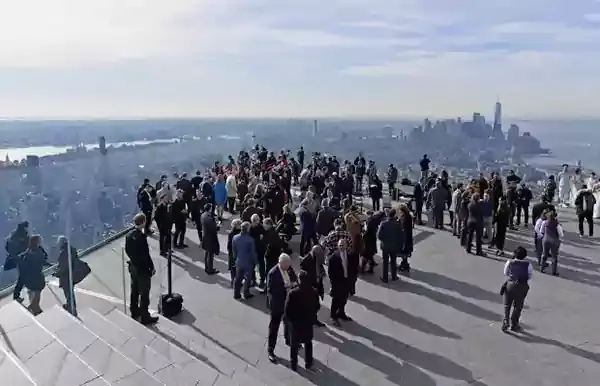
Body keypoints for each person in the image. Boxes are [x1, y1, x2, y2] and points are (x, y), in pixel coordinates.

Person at [125, 213, 158, 324]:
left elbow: (127, 250)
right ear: (143, 222)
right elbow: (145, 255)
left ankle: (134, 311)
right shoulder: (141, 237)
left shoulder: (129, 235)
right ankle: (145, 316)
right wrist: (151, 267)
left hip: (133, 267)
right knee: (144, 293)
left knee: (134, 290)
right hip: (142, 269)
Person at [284, 270, 319, 372]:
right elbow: (317, 306)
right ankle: (308, 363)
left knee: (294, 345)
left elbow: (287, 310)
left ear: (299, 280)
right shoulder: (313, 291)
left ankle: (293, 364)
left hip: (296, 323)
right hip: (307, 322)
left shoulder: (292, 293)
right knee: (308, 343)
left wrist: (290, 320)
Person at [266, 253, 297, 363]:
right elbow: (270, 290)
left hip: (288, 303)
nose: (289, 268)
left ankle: (289, 340)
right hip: (277, 305)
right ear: (281, 263)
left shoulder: (288, 269)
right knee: (274, 327)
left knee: (289, 323)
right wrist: (285, 288)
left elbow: (294, 279)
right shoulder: (273, 273)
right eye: (287, 265)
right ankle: (270, 349)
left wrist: (293, 284)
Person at [501, 247, 532, 332]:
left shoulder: (509, 262)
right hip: (522, 286)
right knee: (518, 306)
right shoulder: (528, 265)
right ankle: (514, 324)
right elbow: (529, 276)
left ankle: (505, 321)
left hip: (510, 284)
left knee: (507, 305)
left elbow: (505, 273)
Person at [18, 235, 50, 315]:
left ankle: (36, 308)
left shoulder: (27, 253)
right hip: (36, 276)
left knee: (33, 292)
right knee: (37, 291)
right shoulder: (37, 252)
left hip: (29, 277)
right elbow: (43, 260)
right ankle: (33, 307)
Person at [328, 239, 352, 326]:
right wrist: (333, 284)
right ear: (338, 246)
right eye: (340, 245)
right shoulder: (333, 258)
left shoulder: (350, 256)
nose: (341, 247)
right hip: (337, 282)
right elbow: (330, 273)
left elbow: (352, 268)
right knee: (336, 300)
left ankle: (341, 313)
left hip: (346, 281)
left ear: (346, 246)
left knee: (344, 299)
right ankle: (333, 316)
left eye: (343, 245)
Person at [300, 245, 326, 327]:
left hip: (317, 285)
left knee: (316, 305)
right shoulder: (306, 261)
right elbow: (303, 275)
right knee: (312, 305)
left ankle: (312, 319)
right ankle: (311, 320)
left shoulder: (316, 259)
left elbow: (320, 268)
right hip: (310, 286)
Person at [377, 208, 403, 282]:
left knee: (385, 262)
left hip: (385, 246)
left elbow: (379, 235)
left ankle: (385, 277)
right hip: (394, 246)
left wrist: (384, 240)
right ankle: (394, 276)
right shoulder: (397, 224)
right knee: (393, 261)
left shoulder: (383, 223)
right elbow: (400, 236)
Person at [232, 221, 257, 300]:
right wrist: (255, 261)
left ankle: (236, 294)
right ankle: (246, 293)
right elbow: (253, 252)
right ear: (248, 229)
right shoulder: (250, 240)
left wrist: (235, 258)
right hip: (248, 261)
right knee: (248, 278)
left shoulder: (235, 237)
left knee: (238, 278)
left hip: (239, 260)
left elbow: (234, 250)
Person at [56, 236, 79, 316]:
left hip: (65, 275)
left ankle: (71, 307)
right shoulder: (71, 249)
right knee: (70, 291)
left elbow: (63, 266)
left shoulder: (64, 252)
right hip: (72, 273)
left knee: (68, 291)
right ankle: (71, 305)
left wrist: (57, 273)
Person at [539, 210, 564, 276]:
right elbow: (561, 234)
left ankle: (542, 268)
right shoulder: (557, 224)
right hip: (554, 241)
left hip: (546, 240)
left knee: (544, 254)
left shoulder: (545, 222)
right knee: (554, 256)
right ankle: (554, 271)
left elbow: (541, 231)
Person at [200, 204, 220, 275]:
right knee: (210, 255)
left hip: (205, 236)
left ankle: (207, 267)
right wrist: (217, 225)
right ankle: (210, 270)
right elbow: (213, 228)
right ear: (209, 209)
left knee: (207, 253)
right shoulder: (209, 218)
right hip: (210, 237)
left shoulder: (203, 215)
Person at [227, 219, 242, 287]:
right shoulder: (241, 233)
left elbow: (229, 245)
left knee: (233, 269)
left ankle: (233, 281)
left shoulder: (231, 233)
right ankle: (238, 281)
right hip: (239, 254)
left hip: (232, 254)